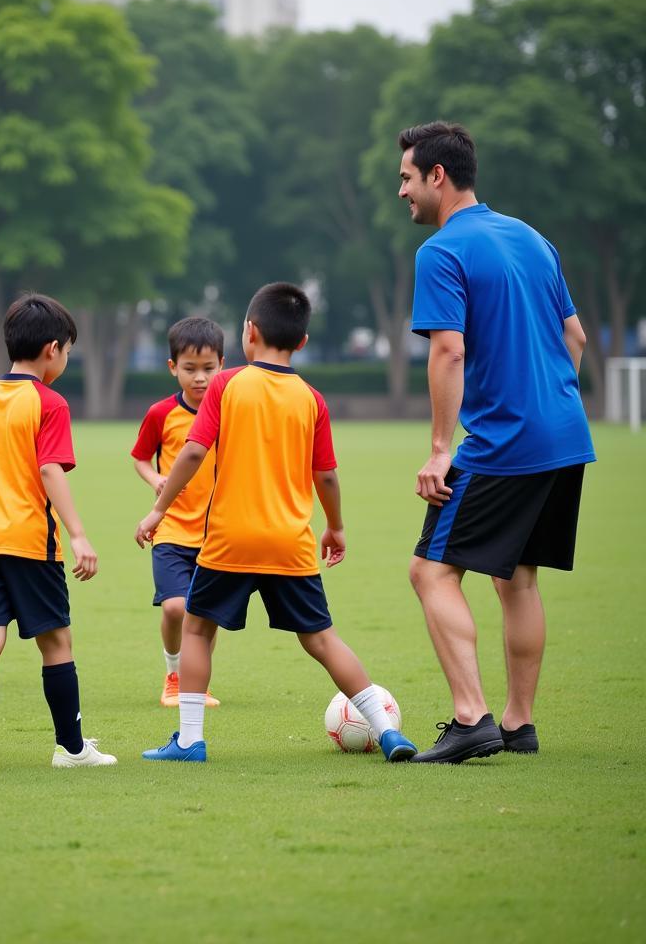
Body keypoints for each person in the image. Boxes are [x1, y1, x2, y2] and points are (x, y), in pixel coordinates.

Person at [135, 282, 417, 764]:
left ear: (249, 332)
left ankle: (189, 741)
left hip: (231, 539)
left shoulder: (226, 385)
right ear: (302, 342)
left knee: (199, 630)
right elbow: (325, 474)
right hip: (291, 542)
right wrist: (336, 526)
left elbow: (196, 451)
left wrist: (159, 508)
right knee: (322, 639)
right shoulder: (311, 399)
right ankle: (386, 729)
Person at [398, 121, 596, 763]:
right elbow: (577, 339)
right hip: (565, 434)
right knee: (517, 579)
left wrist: (438, 448)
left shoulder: (441, 252)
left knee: (430, 571)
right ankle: (518, 724)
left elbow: (448, 349)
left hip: (504, 440)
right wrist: (546, 396)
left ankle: (471, 717)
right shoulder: (532, 238)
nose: (401, 192)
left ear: (436, 176)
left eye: (405, 178)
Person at [0, 293, 116, 772]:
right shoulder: (49, 402)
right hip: (31, 542)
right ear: (52, 349)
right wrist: (78, 534)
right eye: (68, 351)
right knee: (56, 644)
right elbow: (50, 469)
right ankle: (71, 750)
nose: (66, 359)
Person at [131, 317, 224, 708]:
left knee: (205, 614)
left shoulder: (229, 411)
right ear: (173, 367)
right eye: (190, 369)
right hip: (170, 528)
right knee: (175, 607)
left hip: (217, 531)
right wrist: (155, 480)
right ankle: (174, 674)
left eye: (208, 369)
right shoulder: (160, 414)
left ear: (222, 364)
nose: (200, 378)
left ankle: (196, 683)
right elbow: (139, 458)